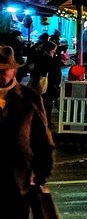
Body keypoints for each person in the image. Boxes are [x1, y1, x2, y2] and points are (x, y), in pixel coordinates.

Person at [0, 45, 55, 219]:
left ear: (13, 71)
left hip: (16, 182)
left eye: (4, 70)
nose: (0, 74)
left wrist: (41, 176)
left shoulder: (29, 98)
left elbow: (42, 140)